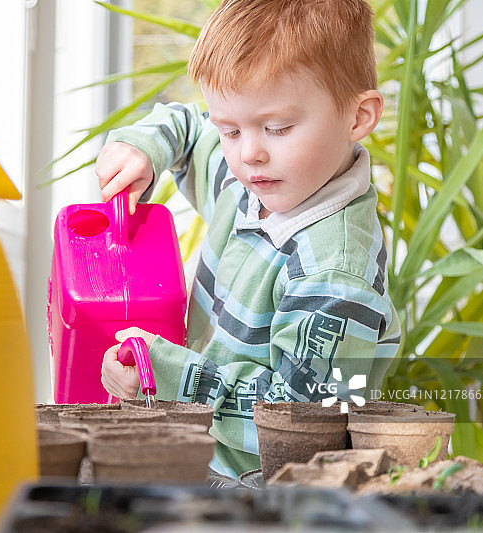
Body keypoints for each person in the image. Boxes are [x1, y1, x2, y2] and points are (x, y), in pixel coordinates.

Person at [95, 0, 401, 478]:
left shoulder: (335, 272)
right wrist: (143, 148)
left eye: (277, 128)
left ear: (358, 117)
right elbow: (190, 126)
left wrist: (168, 376)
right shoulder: (247, 182)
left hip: (262, 488)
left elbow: (302, 423)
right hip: (199, 452)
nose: (249, 152)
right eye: (231, 130)